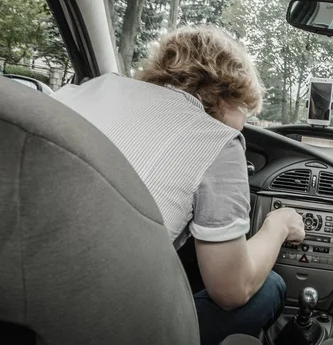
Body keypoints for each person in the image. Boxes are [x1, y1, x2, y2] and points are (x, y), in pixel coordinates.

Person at [52, 25, 305, 345]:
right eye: (245, 110)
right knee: (269, 287)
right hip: (96, 329)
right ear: (230, 94)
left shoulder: (89, 89)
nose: (244, 122)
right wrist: (277, 225)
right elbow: (232, 290)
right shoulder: (218, 142)